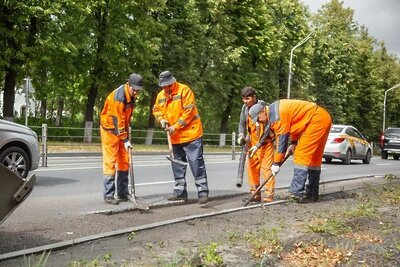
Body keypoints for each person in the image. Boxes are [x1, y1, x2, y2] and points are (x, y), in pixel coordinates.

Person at [248, 99, 332, 202]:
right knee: (314, 159)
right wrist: (293, 143)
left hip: (315, 121)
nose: (259, 121)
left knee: (301, 156)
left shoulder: (277, 117)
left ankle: (296, 193)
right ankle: (312, 193)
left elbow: (281, 142)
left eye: (258, 119)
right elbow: (296, 123)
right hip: (322, 118)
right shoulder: (274, 110)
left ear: (262, 112)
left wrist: (276, 163)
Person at [152, 70, 209, 205]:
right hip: (175, 137)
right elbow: (156, 110)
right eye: (163, 86)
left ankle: (203, 193)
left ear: (173, 82)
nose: (166, 89)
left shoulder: (185, 90)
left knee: (196, 164)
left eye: (168, 86)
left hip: (191, 134)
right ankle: (180, 193)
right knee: (177, 165)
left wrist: (175, 126)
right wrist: (162, 120)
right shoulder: (161, 95)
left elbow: (189, 112)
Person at [100, 73, 143, 205]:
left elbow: (125, 118)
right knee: (111, 161)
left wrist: (125, 136)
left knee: (124, 160)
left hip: (121, 130)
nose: (136, 92)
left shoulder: (131, 96)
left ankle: (123, 193)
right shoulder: (119, 97)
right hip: (110, 131)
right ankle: (108, 195)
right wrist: (125, 140)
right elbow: (117, 119)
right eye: (134, 89)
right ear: (128, 84)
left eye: (138, 90)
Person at [237, 87, 275, 203]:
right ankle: (255, 195)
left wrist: (258, 145)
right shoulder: (245, 108)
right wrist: (241, 135)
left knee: (266, 170)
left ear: (254, 97)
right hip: (252, 145)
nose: (245, 101)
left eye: (247, 99)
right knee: (252, 170)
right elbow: (241, 123)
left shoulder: (264, 109)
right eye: (243, 99)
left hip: (265, 145)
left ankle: (268, 197)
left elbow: (267, 130)